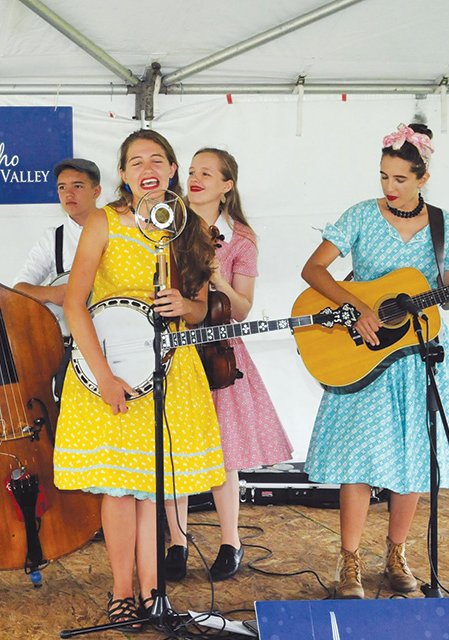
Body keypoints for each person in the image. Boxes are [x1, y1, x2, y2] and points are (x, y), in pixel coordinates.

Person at [300, 123, 449, 599]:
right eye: (383, 178)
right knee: (358, 459)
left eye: (399, 179)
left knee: (416, 458)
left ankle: (397, 555)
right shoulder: (359, 216)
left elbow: (447, 297)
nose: (389, 188)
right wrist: (357, 306)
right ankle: (349, 561)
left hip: (423, 356)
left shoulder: (443, 224)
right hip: (366, 354)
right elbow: (312, 269)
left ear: (423, 177)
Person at [53, 129, 226, 629]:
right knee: (120, 488)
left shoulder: (189, 226)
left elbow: (202, 308)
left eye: (157, 159)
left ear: (172, 170)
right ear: (124, 175)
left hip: (172, 369)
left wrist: (188, 306)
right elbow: (73, 303)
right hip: (110, 371)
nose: (146, 167)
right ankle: (122, 592)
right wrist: (102, 377)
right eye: (135, 162)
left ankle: (155, 595)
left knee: (155, 486)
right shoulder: (104, 222)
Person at [163, 148, 294, 582]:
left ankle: (230, 540)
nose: (195, 178)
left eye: (207, 172)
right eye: (193, 171)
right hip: (174, 344)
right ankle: (176, 542)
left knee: (225, 452)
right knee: (174, 447)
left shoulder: (241, 238)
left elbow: (242, 309)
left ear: (227, 184)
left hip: (219, 351)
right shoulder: (167, 224)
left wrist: (217, 277)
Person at [13, 158, 102, 402]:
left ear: (97, 191)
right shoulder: (53, 238)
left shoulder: (118, 232)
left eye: (77, 186)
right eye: (62, 187)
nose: (68, 193)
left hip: (111, 342)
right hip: (68, 349)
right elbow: (19, 290)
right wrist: (54, 294)